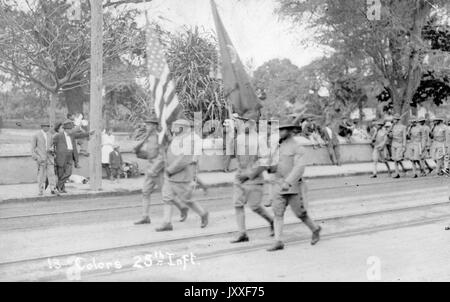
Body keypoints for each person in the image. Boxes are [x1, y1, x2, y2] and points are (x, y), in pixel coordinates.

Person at [264, 120, 321, 251]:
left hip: (293, 187)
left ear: (289, 131)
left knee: (300, 213)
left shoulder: (297, 147)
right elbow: (274, 165)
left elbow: (299, 167)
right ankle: (278, 241)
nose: (279, 132)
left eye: (281, 130)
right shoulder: (278, 146)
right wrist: (269, 167)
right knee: (278, 213)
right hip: (278, 185)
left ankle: (315, 229)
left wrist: (288, 182)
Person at [156, 119, 209, 232]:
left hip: (181, 176)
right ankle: (167, 223)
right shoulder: (177, 138)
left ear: (181, 128)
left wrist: (170, 170)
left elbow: (184, 159)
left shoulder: (188, 140)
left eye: (176, 126)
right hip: (170, 175)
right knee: (167, 198)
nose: (173, 129)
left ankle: (203, 214)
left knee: (186, 199)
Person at [134, 118, 188, 225]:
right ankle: (145, 217)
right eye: (146, 125)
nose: (146, 127)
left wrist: (154, 169)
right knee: (145, 192)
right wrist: (144, 141)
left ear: (154, 126)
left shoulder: (160, 138)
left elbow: (162, 156)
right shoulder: (148, 138)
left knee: (166, 193)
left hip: (158, 170)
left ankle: (182, 207)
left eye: (149, 125)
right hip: (150, 169)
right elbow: (143, 152)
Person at [230, 118, 274, 243]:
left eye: (248, 122)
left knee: (255, 207)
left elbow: (265, 163)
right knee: (237, 205)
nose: (245, 125)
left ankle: (272, 221)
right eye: (242, 122)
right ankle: (242, 233)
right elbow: (232, 155)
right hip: (239, 177)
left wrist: (248, 175)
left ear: (254, 124)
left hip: (253, 179)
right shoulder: (238, 139)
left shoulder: (260, 140)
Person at [53, 120, 94, 193]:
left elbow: (80, 135)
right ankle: (62, 188)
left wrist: (89, 133)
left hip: (70, 155)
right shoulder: (58, 135)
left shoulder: (72, 134)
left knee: (68, 173)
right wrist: (52, 151)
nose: (71, 130)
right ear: (65, 129)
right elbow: (51, 143)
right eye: (69, 129)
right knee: (61, 173)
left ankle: (58, 186)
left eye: (71, 129)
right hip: (61, 157)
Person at [31, 123, 58, 196]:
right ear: (42, 127)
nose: (48, 127)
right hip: (41, 159)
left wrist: (52, 150)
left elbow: (52, 146)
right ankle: (40, 190)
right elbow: (32, 149)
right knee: (41, 175)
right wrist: (37, 157)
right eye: (47, 126)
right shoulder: (36, 135)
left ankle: (53, 189)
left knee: (51, 174)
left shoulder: (50, 135)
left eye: (49, 126)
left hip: (50, 158)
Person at [389, 114, 407, 178]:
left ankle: (403, 168)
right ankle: (397, 173)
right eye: (393, 119)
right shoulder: (393, 127)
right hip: (393, 144)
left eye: (395, 119)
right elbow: (389, 135)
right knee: (395, 159)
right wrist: (390, 129)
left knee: (397, 158)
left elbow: (404, 137)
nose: (394, 120)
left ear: (398, 120)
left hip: (400, 144)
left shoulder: (403, 127)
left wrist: (404, 146)